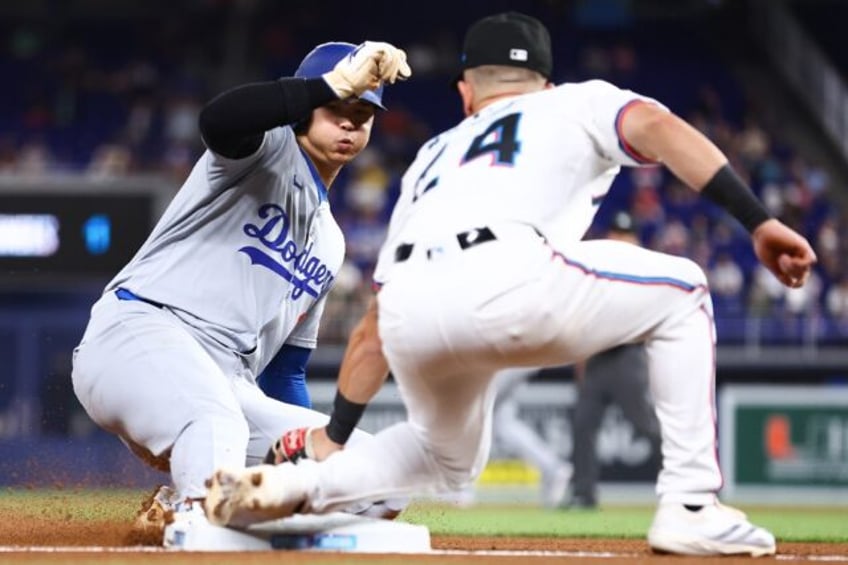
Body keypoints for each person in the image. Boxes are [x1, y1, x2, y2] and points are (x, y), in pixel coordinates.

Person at [203, 12, 816, 557]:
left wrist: (333, 436)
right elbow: (654, 124)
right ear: (545, 82)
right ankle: (690, 504)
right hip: (510, 276)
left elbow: (372, 327)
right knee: (685, 289)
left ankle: (291, 484)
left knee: (444, 457)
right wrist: (757, 221)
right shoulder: (574, 101)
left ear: (468, 91)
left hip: (412, 313)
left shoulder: (433, 156)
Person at [70, 40, 411, 534]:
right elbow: (221, 119)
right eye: (335, 107)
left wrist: (308, 462)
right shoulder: (265, 150)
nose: (350, 121)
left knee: (379, 475)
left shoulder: (331, 242)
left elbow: (287, 370)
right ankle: (198, 516)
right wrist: (330, 83)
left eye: (362, 111)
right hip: (136, 334)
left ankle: (182, 506)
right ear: (303, 110)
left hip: (227, 384)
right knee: (214, 423)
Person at [566, 212, 659, 510]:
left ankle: (694, 487)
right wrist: (580, 362)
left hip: (626, 358)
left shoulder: (645, 270)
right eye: (615, 232)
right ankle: (583, 494)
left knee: (647, 426)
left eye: (625, 233)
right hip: (595, 360)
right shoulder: (595, 267)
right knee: (582, 426)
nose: (620, 238)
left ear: (635, 239)